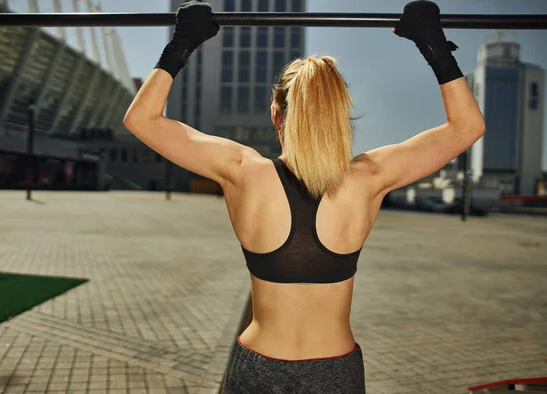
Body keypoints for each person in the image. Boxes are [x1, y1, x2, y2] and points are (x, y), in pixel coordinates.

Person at [123, 1, 486, 392]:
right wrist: (431, 43)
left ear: (276, 114)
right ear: (336, 115)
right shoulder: (368, 178)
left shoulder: (244, 171)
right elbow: (467, 126)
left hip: (257, 367)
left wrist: (184, 41)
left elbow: (141, 119)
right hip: (334, 372)